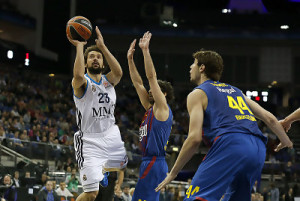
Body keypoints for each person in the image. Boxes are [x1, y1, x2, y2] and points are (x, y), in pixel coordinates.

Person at [156, 50, 293, 200]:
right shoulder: (236, 91)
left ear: (202, 68)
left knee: (196, 197)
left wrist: (173, 173)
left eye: (193, 64)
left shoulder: (197, 93)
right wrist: (285, 140)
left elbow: (194, 138)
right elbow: (270, 118)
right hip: (258, 149)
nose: (190, 67)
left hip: (230, 144)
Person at [67, 26, 128, 201]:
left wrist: (103, 48)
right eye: (91, 57)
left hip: (108, 140)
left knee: (105, 192)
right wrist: (79, 46)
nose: (95, 59)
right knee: (91, 194)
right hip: (89, 141)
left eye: (98, 57)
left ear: (102, 63)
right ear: (85, 62)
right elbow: (77, 75)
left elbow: (119, 73)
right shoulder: (82, 82)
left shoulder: (108, 82)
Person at [127, 32, 174, 201]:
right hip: (150, 161)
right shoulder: (150, 108)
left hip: (155, 161)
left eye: (154, 89)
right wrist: (130, 61)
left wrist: (145, 51)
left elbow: (151, 77)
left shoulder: (162, 107)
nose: (149, 90)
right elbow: (138, 83)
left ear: (164, 94)